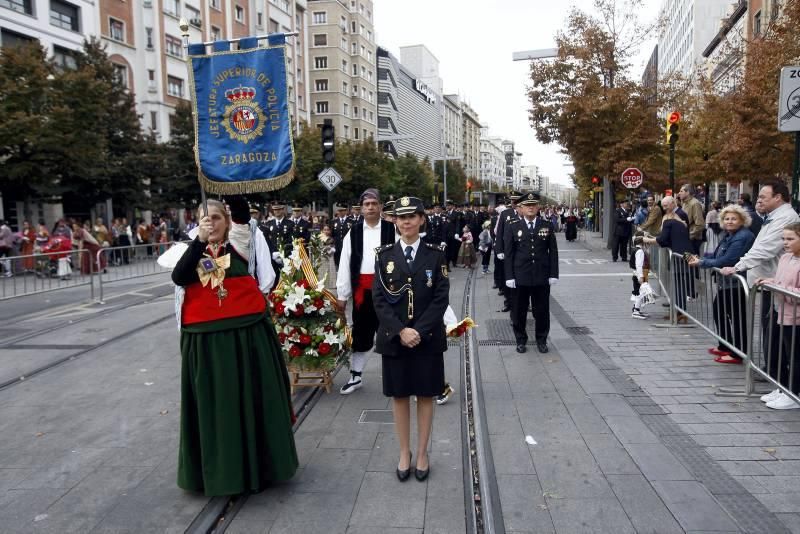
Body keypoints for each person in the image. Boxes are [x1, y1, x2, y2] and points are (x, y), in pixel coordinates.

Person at [170, 197, 297, 495]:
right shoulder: (190, 250)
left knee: (253, 400)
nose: (211, 223)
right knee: (215, 407)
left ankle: (262, 466)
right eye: (205, 218)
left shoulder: (241, 241)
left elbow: (240, 211)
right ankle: (217, 471)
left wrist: (227, 179)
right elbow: (180, 277)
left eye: (217, 217)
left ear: (227, 221)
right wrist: (199, 242)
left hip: (248, 337)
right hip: (206, 343)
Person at [372, 196, 449, 482]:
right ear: (394, 221)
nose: (406, 222)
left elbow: (441, 297)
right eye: (400, 217)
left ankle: (422, 453)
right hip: (395, 338)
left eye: (412, 217)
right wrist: (401, 331)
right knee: (400, 395)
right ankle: (404, 452)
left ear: (421, 220)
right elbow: (378, 299)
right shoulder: (383, 255)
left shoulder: (436, 254)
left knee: (426, 394)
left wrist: (419, 330)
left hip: (427, 338)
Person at [723, 181, 800, 388]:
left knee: (780, 335)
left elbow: (765, 249)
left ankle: (781, 378)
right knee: (771, 331)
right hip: (771, 282)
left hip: (781, 288)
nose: (759, 200)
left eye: (764, 197)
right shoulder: (771, 218)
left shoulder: (785, 218)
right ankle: (774, 373)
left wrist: (738, 266)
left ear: (779, 197)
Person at [336, 189, 396, 394]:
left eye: (374, 203)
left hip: (389, 291)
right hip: (363, 292)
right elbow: (345, 263)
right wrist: (342, 295)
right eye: (366, 204)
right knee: (360, 333)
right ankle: (356, 376)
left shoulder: (392, 229)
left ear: (380, 206)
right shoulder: (353, 232)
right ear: (361, 209)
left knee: (393, 333)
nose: (370, 207)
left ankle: (400, 377)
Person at [688, 205, 755, 363]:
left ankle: (737, 353)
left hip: (736, 284)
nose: (729, 221)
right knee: (720, 313)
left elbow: (728, 260)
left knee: (736, 318)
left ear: (742, 220)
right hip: (726, 283)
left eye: (733, 218)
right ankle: (725, 345)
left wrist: (701, 262)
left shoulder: (742, 236)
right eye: (726, 219)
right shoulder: (729, 234)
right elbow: (720, 255)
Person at [504, 192, 559, 354]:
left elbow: (553, 252)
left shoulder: (546, 225)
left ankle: (541, 340)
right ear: (521, 207)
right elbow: (509, 253)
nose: (531, 208)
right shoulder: (513, 226)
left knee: (541, 311)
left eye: (533, 205)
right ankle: (520, 340)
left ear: (538, 207)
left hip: (541, 276)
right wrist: (509, 276)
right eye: (528, 205)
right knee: (518, 312)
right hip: (520, 276)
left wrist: (553, 274)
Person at [755, 222, 800, 409]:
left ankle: (794, 394)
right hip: (782, 312)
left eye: (790, 239)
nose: (785, 243)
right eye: (783, 239)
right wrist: (770, 281)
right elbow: (782, 280)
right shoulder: (786, 258)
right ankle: (784, 388)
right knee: (783, 353)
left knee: (795, 357)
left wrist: (779, 288)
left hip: (796, 317)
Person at [643, 196, 692, 324]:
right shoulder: (678, 221)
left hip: (680, 255)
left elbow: (663, 240)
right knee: (680, 283)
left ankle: (680, 312)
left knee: (679, 284)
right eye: (663, 206)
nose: (664, 209)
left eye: (666, 206)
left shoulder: (669, 221)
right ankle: (679, 311)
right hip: (686, 253)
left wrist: (647, 240)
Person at [495, 193, 522, 313]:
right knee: (508, 278)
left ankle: (523, 303)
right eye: (512, 201)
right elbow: (499, 233)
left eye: (516, 201)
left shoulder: (525, 213)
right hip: (507, 252)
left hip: (521, 251)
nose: (514, 203)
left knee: (521, 279)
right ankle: (508, 302)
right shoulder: (505, 214)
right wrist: (499, 250)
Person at [678, 184, 705, 254]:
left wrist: (689, 236)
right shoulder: (684, 203)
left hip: (693, 240)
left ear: (688, 192)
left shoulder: (695, 203)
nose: (679, 193)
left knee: (691, 263)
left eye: (681, 191)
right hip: (685, 238)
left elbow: (700, 224)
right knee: (684, 262)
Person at [630, 234, 650, 319]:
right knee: (639, 292)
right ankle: (636, 311)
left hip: (635, 274)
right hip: (638, 274)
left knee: (638, 291)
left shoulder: (635, 249)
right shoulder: (640, 251)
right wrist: (641, 276)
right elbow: (639, 265)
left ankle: (636, 308)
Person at [331, 205, 354, 269]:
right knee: (337, 263)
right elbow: (332, 235)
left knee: (347, 263)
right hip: (337, 246)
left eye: (343, 210)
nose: (341, 212)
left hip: (347, 246)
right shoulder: (334, 222)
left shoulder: (351, 221)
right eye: (339, 211)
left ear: (346, 211)